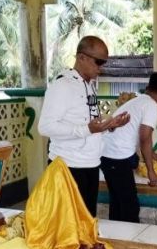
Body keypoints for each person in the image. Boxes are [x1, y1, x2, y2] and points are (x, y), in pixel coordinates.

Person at [38, 35, 130, 217]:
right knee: (70, 226)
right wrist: (87, 129)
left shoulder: (89, 86)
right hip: (69, 167)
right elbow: (45, 127)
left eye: (104, 62)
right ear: (82, 58)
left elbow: (88, 122)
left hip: (90, 163)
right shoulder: (62, 85)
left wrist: (110, 125)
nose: (101, 68)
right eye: (98, 62)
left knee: (87, 220)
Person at [100, 72, 157, 223]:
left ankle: (116, 239)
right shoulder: (152, 105)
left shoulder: (136, 102)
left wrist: (150, 153)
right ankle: (129, 241)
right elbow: (145, 137)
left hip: (105, 155)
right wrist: (151, 172)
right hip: (117, 157)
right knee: (129, 207)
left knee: (117, 201)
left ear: (148, 88)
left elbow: (136, 134)